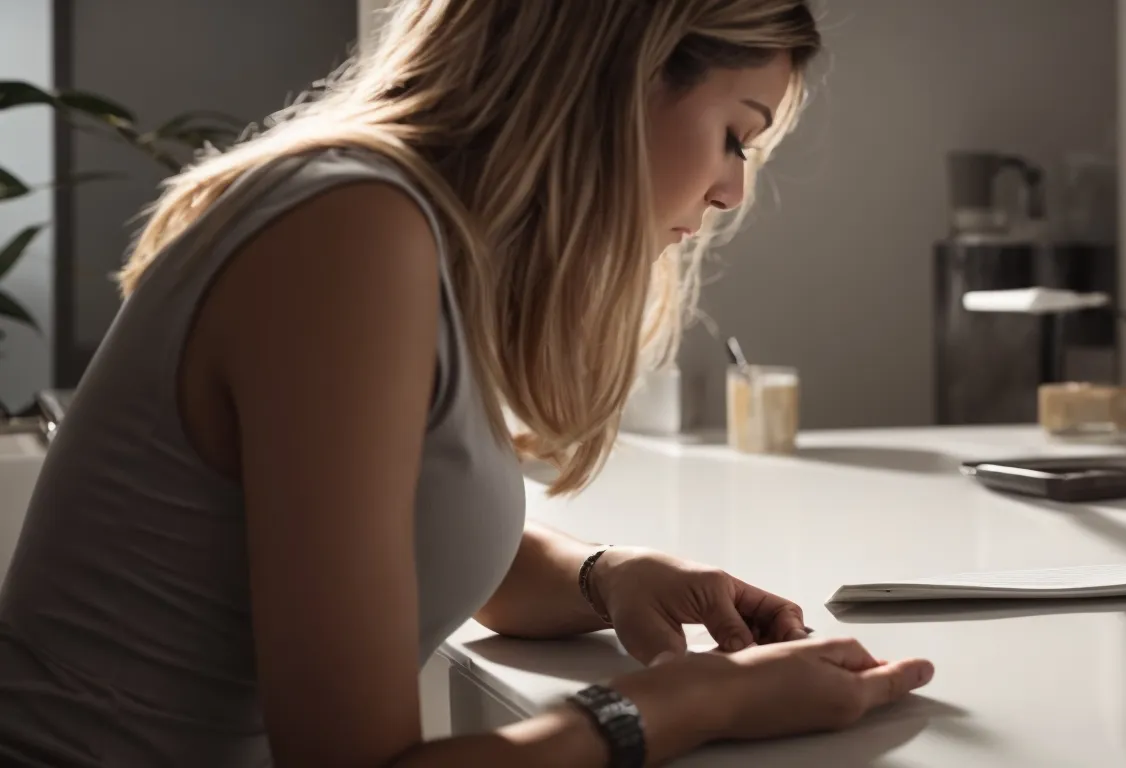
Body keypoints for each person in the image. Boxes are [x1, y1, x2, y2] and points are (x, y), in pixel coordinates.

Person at [0, 1, 933, 765]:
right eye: (737, 135)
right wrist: (679, 706)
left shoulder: (406, 232)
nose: (732, 192)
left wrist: (607, 579)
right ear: (625, 73)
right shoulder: (348, 233)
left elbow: (382, 532)